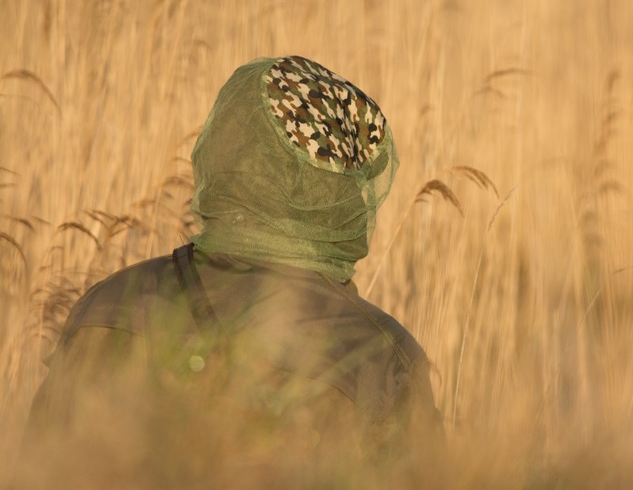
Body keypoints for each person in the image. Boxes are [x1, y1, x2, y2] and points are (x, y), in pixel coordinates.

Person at [17, 56, 442, 488]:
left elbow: (36, 470)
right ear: (347, 189)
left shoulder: (110, 304)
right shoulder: (383, 356)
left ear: (224, 152)